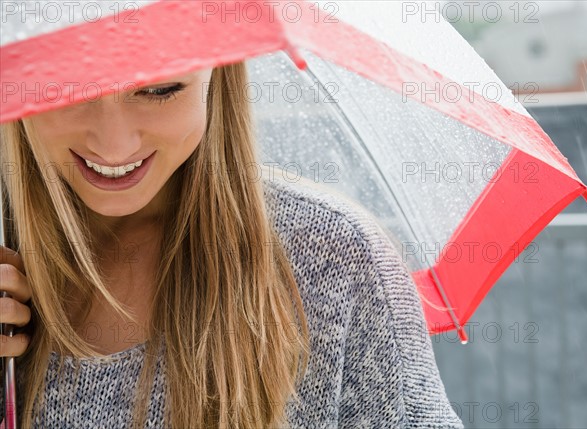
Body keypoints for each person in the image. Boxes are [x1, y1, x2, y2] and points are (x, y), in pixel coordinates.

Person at [0, 62, 463, 428]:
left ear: (217, 71)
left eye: (161, 89)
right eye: (64, 88)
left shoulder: (336, 260)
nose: (115, 144)